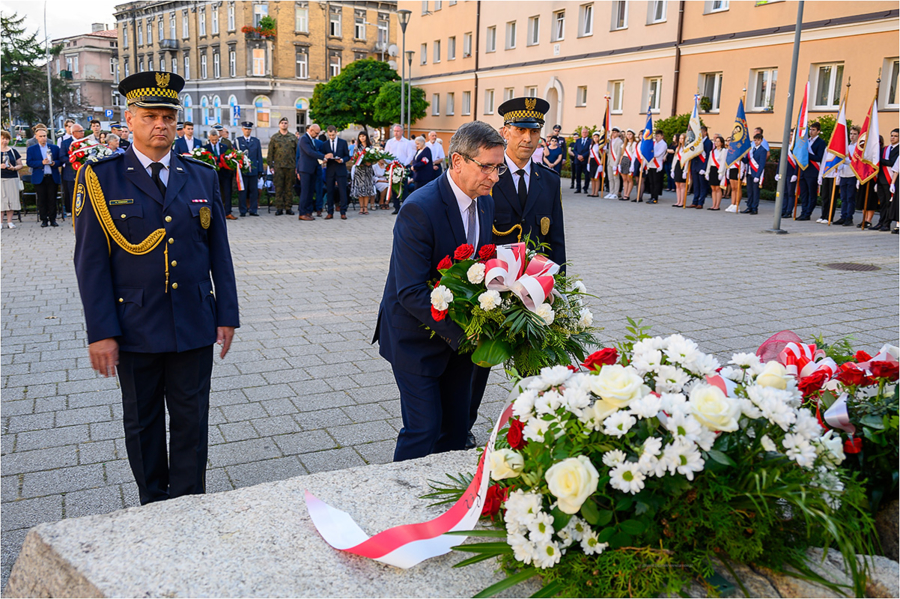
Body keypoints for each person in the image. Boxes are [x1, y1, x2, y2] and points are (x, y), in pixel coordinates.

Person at [72, 70, 239, 506]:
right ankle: (154, 503)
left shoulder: (200, 175)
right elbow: (90, 264)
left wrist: (226, 315)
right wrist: (101, 331)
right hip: (136, 325)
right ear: (130, 119)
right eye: (150, 116)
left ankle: (188, 503)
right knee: (143, 422)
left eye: (168, 116)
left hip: (193, 321)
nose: (160, 125)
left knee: (191, 419)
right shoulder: (101, 178)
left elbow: (218, 250)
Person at [373, 121, 501, 462]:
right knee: (424, 429)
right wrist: (464, 334)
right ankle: (398, 495)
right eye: (487, 166)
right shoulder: (420, 208)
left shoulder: (485, 202)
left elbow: (480, 269)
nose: (495, 176)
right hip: (415, 337)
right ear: (457, 162)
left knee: (456, 429)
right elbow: (410, 290)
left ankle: (445, 500)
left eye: (498, 167)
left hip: (460, 339)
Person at [468, 98, 565, 449]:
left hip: (533, 288)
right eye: (520, 130)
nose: (527, 137)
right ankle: (463, 427)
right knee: (477, 363)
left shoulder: (548, 180)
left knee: (533, 358)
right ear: (505, 132)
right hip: (492, 285)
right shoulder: (488, 173)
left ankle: (533, 427)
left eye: (534, 131)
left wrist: (561, 283)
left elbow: (555, 237)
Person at [26, 127, 61, 227]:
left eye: (44, 136)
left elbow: (60, 160)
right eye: (40, 136)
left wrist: (54, 163)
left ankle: (53, 219)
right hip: (39, 177)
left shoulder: (54, 148)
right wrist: (41, 163)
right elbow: (29, 162)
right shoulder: (32, 149)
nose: (43, 138)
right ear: (36, 137)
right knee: (42, 199)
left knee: (52, 199)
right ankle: (44, 220)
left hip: (51, 176)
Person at [295, 123, 330, 221]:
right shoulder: (304, 139)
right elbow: (309, 152)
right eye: (316, 133)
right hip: (305, 169)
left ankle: (308, 211)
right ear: (311, 130)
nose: (317, 135)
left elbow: (315, 152)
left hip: (312, 169)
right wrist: (323, 156)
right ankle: (302, 213)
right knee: (305, 192)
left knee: (310, 192)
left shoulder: (312, 139)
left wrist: (324, 156)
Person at [267, 117, 299, 216]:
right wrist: (271, 166)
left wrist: (297, 167)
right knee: (279, 188)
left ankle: (288, 207)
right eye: (282, 123)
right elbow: (270, 153)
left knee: (289, 188)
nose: (284, 124)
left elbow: (297, 153)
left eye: (286, 123)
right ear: (279, 125)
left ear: (288, 125)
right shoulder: (275, 137)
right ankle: (279, 208)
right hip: (278, 167)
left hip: (290, 166)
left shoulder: (293, 137)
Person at [796, 122, 826, 220]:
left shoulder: (821, 143)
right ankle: (803, 211)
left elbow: (819, 157)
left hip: (813, 171)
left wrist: (807, 155)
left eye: (813, 130)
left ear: (818, 131)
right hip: (804, 170)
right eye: (810, 129)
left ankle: (808, 213)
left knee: (811, 194)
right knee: (803, 193)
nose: (811, 132)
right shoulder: (806, 141)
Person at [204, 130, 236, 220]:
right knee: (212, 193)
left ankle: (228, 212)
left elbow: (228, 157)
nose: (214, 142)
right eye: (212, 140)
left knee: (227, 192)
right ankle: (213, 212)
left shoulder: (224, 147)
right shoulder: (205, 148)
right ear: (209, 138)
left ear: (218, 137)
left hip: (224, 173)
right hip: (212, 174)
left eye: (216, 140)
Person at [871, 128, 899, 231]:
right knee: (882, 203)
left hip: (891, 180)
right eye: (892, 135)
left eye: (895, 136)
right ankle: (881, 222)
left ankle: (887, 223)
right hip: (882, 179)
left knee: (888, 203)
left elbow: (892, 163)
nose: (893, 138)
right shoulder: (885, 149)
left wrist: (880, 160)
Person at [384, 124, 416, 214]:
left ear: (402, 132)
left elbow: (410, 155)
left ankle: (405, 207)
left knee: (404, 188)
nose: (396, 133)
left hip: (403, 168)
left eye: (398, 131)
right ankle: (396, 207)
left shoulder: (407, 142)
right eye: (394, 131)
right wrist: (391, 164)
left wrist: (403, 165)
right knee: (394, 188)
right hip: (393, 168)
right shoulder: (390, 142)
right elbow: (386, 155)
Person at [323, 125, 350, 220]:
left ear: (336, 132)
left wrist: (342, 160)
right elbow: (322, 156)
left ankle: (343, 212)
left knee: (342, 191)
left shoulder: (343, 142)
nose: (331, 137)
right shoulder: (325, 144)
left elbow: (347, 156)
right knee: (330, 191)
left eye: (333, 135)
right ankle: (330, 212)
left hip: (341, 170)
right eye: (330, 135)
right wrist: (325, 158)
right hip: (330, 171)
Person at [235, 121, 262, 217]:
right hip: (242, 171)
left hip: (253, 171)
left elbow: (259, 156)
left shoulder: (256, 141)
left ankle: (253, 210)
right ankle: (242, 210)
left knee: (254, 191)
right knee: (242, 191)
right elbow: (235, 157)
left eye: (249, 129)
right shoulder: (238, 141)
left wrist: (260, 170)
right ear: (242, 129)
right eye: (245, 129)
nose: (247, 131)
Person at [834, 126, 859, 226]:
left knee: (850, 198)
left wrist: (848, 161)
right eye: (851, 134)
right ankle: (843, 216)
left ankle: (849, 217)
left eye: (854, 134)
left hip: (852, 175)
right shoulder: (846, 147)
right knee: (843, 198)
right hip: (844, 174)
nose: (852, 136)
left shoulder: (858, 147)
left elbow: (857, 162)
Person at [59, 123, 85, 216]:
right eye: (80, 131)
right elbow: (62, 157)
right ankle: (72, 210)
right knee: (71, 192)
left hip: (83, 171)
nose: (83, 133)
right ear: (74, 133)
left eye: (83, 131)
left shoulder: (86, 142)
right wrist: (74, 160)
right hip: (70, 172)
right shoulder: (65, 143)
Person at [1, 130, 24, 228]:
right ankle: (0, 222)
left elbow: (20, 165)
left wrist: (14, 168)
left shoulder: (13, 151)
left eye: (6, 139)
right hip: (0, 178)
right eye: (2, 138)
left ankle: (10, 221)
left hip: (12, 178)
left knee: (12, 200)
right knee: (1, 200)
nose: (4, 141)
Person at [351, 130, 376, 215]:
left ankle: (366, 207)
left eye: (364, 136)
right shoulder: (357, 147)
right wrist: (358, 162)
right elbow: (354, 158)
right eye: (360, 136)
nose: (362, 138)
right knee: (360, 191)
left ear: (366, 137)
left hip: (367, 171)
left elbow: (374, 158)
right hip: (359, 171)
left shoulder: (370, 147)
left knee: (367, 190)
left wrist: (370, 162)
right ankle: (361, 208)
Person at [689, 126, 712, 208]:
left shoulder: (708, 142)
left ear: (705, 132)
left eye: (701, 132)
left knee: (702, 186)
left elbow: (708, 156)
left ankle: (700, 202)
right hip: (695, 165)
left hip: (702, 166)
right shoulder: (697, 142)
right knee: (696, 185)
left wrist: (704, 168)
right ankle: (694, 201)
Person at [743, 134, 766, 215]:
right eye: (755, 140)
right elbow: (747, 161)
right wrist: (742, 157)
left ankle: (754, 208)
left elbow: (762, 164)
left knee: (755, 192)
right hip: (749, 173)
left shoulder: (763, 150)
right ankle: (749, 206)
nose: (756, 142)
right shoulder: (751, 150)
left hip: (755, 173)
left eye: (758, 140)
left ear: (761, 140)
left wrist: (758, 176)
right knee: (749, 191)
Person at [705, 135, 727, 211]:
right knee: (713, 188)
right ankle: (713, 204)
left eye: (718, 141)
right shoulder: (712, 151)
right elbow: (709, 162)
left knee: (718, 188)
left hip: (719, 170)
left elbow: (723, 162)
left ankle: (717, 205)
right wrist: (707, 172)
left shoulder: (724, 151)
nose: (716, 143)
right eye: (715, 141)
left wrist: (721, 173)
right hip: (712, 169)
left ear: (721, 143)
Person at [646, 129, 667, 204]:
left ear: (662, 136)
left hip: (657, 165)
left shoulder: (663, 144)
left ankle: (655, 198)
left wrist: (650, 154)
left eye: (658, 136)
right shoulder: (654, 143)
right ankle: (652, 196)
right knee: (651, 182)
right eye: (656, 136)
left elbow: (658, 154)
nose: (656, 137)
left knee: (656, 182)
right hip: (651, 164)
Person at [725, 144, 746, 214]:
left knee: (738, 188)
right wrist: (728, 171)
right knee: (733, 188)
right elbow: (729, 161)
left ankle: (737, 205)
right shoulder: (731, 152)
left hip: (738, 169)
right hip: (732, 169)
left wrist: (741, 172)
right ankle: (732, 204)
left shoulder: (741, 152)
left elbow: (743, 163)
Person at [572, 127, 591, 194]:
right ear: (581, 133)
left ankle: (585, 188)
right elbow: (574, 150)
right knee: (578, 175)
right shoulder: (578, 140)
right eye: (583, 132)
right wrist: (578, 156)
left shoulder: (590, 141)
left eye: (585, 132)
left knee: (587, 175)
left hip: (585, 160)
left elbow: (590, 150)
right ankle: (578, 188)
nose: (584, 134)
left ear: (588, 133)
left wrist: (583, 156)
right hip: (578, 160)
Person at [606, 128, 623, 199]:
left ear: (619, 133)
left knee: (616, 178)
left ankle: (616, 193)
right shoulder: (610, 141)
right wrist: (605, 149)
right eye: (613, 132)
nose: (614, 133)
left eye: (615, 132)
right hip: (609, 161)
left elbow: (619, 154)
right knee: (610, 178)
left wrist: (616, 164)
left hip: (615, 162)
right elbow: (609, 152)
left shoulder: (620, 141)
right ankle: (611, 192)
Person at [671, 133, 687, 208]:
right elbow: (675, 159)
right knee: (677, 184)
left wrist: (685, 171)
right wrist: (672, 169)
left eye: (682, 138)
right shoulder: (678, 148)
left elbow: (687, 160)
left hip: (683, 166)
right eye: (680, 138)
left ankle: (682, 201)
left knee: (682, 185)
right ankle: (678, 201)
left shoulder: (687, 149)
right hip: (677, 165)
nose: (681, 140)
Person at [620, 129, 637, 201]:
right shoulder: (624, 144)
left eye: (630, 134)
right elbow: (622, 154)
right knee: (624, 179)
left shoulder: (634, 144)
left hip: (630, 161)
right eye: (628, 134)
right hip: (624, 160)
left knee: (629, 179)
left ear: (633, 135)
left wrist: (632, 165)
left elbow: (634, 155)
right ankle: (624, 194)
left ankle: (628, 194)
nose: (629, 136)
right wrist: (619, 163)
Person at [587, 132, 603, 197]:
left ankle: (596, 192)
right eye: (594, 137)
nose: (595, 138)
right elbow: (590, 155)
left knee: (597, 177)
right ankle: (592, 192)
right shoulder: (591, 146)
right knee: (592, 178)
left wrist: (601, 164)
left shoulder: (600, 146)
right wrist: (588, 163)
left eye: (597, 137)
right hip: (592, 161)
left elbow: (602, 156)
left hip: (598, 162)